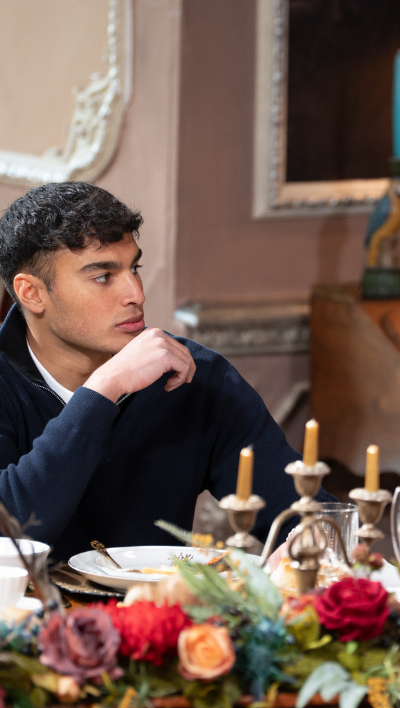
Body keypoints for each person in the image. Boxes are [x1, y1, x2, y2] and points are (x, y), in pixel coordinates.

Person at [0, 182, 331, 561]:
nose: (136, 294)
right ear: (32, 293)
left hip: (165, 616)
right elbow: (10, 532)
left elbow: (304, 514)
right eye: (103, 276)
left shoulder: (197, 376)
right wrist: (104, 389)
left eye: (134, 268)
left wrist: (305, 545)